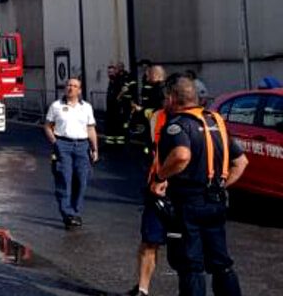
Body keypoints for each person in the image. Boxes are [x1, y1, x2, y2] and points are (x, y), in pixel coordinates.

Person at [151, 76, 248, 296]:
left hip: (188, 202)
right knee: (221, 262)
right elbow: (241, 162)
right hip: (215, 202)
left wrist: (160, 177)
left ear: (173, 98)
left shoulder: (177, 124)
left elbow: (181, 155)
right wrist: (221, 185)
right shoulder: (216, 122)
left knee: (191, 265)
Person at [129, 78, 176, 296]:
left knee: (186, 248)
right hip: (156, 190)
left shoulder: (201, 120)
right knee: (149, 242)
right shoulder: (158, 117)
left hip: (181, 192)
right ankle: (142, 289)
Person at [44, 77, 99, 228]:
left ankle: (75, 211)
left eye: (74, 86)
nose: (71, 88)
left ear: (79, 90)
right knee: (64, 179)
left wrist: (95, 148)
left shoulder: (86, 107)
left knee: (81, 180)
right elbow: (48, 126)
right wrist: (56, 143)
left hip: (82, 146)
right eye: (68, 85)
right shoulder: (56, 106)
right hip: (63, 145)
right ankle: (68, 214)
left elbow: (91, 129)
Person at [105, 62, 134, 146]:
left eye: (111, 72)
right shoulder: (111, 81)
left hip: (117, 107)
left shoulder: (119, 80)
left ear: (115, 72)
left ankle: (119, 144)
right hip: (110, 107)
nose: (109, 74)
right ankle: (110, 143)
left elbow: (125, 89)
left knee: (118, 125)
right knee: (110, 125)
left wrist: (118, 97)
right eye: (108, 72)